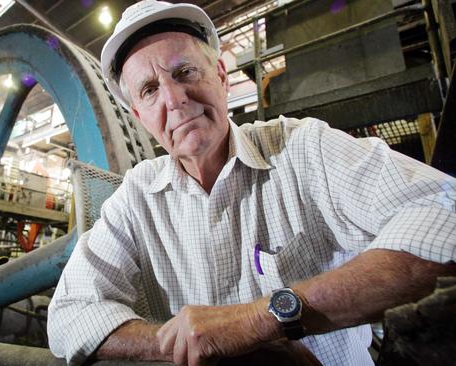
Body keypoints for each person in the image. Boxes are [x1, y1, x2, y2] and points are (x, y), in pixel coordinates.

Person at [47, 1, 456, 365]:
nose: (174, 99)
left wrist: (262, 321)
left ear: (221, 75)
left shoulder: (301, 148)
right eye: (151, 89)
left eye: (185, 71)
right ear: (139, 117)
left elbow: (446, 212)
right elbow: (69, 313)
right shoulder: (136, 197)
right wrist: (181, 342)